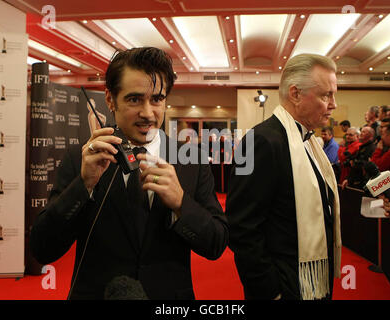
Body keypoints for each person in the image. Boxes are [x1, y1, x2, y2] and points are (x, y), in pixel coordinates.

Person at [30, 47, 229, 300]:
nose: (148, 113)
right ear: (110, 100)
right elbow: (43, 248)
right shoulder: (82, 158)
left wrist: (181, 203)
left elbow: (216, 244)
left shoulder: (191, 160)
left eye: (156, 99)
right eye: (134, 99)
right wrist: (84, 185)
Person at [226, 53, 341, 300]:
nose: (334, 104)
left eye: (333, 94)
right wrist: (270, 291)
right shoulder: (261, 141)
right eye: (325, 95)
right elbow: (242, 228)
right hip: (283, 285)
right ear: (296, 94)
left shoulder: (310, 143)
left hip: (307, 280)